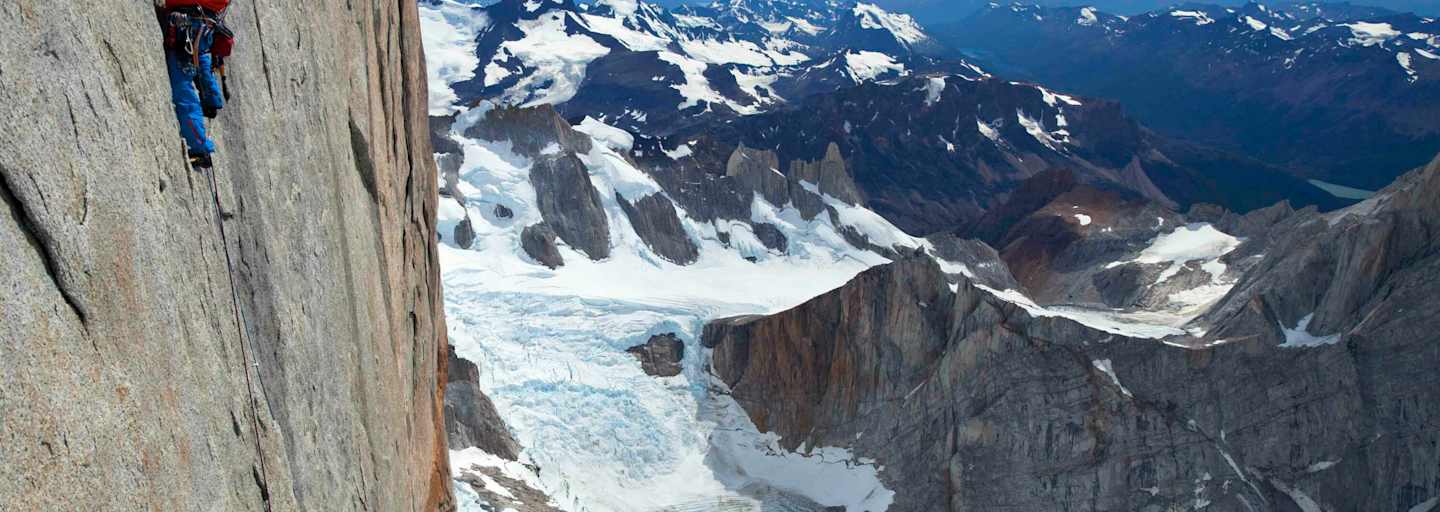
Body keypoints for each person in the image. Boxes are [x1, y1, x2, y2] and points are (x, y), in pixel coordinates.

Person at [157, 0, 234, 169]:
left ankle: (200, 148)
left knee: (183, 89)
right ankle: (211, 100)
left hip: (187, 24)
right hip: (204, 24)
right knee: (201, 57)